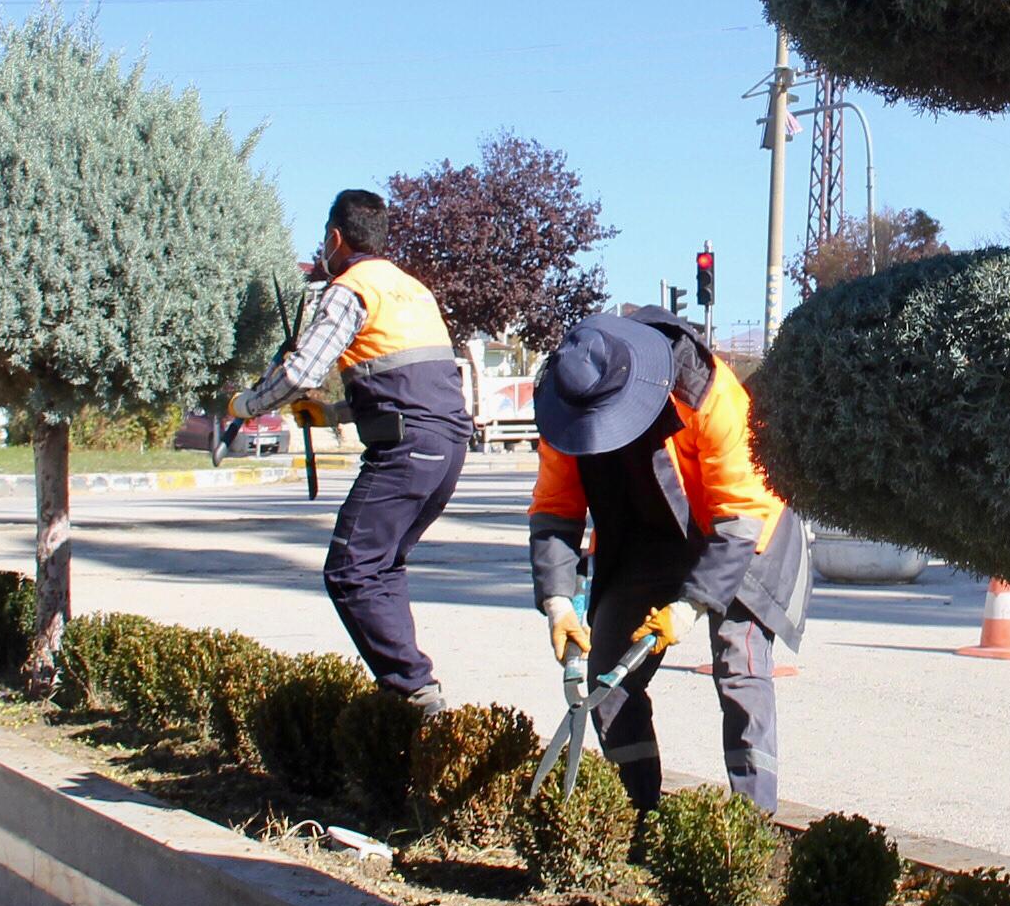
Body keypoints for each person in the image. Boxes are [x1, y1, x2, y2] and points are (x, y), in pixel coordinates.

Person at [527, 307, 808, 811]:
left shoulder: (703, 388)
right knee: (609, 674)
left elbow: (741, 513)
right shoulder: (567, 402)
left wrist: (692, 604)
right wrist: (558, 602)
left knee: (738, 665)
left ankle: (750, 823)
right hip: (649, 536)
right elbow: (554, 509)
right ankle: (638, 812)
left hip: (744, 533)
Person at [235, 189, 472, 711]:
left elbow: (299, 371)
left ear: (336, 238)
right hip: (447, 447)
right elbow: (406, 381)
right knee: (383, 566)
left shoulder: (347, 289)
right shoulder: (411, 289)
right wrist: (332, 414)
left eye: (325, 237)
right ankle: (405, 692)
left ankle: (413, 689)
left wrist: (245, 405)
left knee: (350, 569)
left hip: (406, 451)